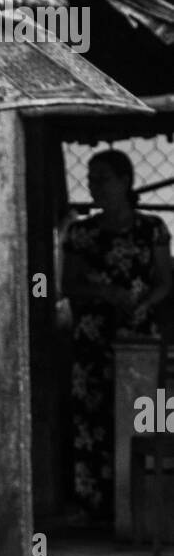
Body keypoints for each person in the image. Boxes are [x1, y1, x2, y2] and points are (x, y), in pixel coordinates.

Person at [62, 149, 172, 521]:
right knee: (90, 418)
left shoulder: (152, 228)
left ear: (125, 181)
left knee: (143, 413)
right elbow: (68, 285)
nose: (94, 187)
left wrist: (141, 304)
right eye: (90, 180)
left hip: (139, 336)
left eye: (102, 179)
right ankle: (96, 507)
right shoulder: (80, 232)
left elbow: (165, 282)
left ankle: (142, 507)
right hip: (93, 338)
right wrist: (106, 293)